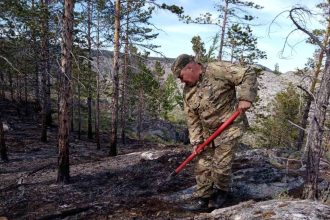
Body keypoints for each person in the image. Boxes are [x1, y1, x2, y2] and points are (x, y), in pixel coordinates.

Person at [171, 54, 258, 212]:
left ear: (190, 67)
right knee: (202, 164)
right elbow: (193, 118)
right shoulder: (188, 91)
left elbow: (247, 73)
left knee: (221, 164)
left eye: (181, 76)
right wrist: (196, 141)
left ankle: (220, 194)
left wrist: (246, 97)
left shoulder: (217, 70)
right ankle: (203, 198)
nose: (181, 81)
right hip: (208, 133)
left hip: (229, 127)